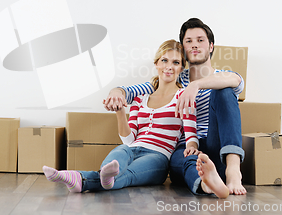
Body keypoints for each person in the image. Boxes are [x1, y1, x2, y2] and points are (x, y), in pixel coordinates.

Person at [104, 18, 246, 196]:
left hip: (216, 145)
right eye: (189, 41)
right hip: (186, 147)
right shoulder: (174, 78)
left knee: (224, 92)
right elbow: (130, 90)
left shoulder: (222, 76)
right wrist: (116, 92)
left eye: (200, 40)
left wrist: (196, 85)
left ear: (210, 46)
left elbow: (236, 80)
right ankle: (206, 184)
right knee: (183, 158)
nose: (194, 45)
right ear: (183, 50)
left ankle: (233, 173)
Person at [43, 40, 199, 193]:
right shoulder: (140, 98)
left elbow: (191, 135)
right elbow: (129, 139)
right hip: (131, 148)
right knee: (119, 154)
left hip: (158, 155)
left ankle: (77, 177)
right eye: (164, 60)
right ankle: (85, 181)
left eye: (176, 62)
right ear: (156, 63)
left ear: (181, 68)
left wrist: (192, 148)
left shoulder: (183, 97)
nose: (169, 67)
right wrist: (120, 111)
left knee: (128, 175)